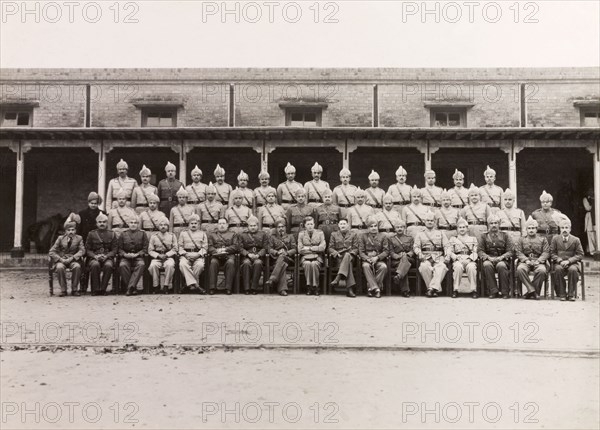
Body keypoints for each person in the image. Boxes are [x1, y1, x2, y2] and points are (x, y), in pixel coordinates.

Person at [414, 211, 449, 298]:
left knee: (441, 267)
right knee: (423, 267)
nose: (430, 222)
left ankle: (430, 289)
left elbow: (447, 246)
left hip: (438, 256)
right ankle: (434, 289)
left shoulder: (441, 233)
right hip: (426, 257)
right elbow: (416, 247)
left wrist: (447, 255)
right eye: (428, 220)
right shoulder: (420, 234)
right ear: (424, 222)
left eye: (432, 220)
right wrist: (420, 254)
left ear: (435, 222)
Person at [478, 214, 513, 299]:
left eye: (496, 223)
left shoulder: (505, 235)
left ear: (499, 224)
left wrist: (501, 257)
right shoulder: (484, 236)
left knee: (501, 266)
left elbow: (511, 251)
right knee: (487, 265)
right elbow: (480, 250)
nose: (493, 225)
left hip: (502, 259)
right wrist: (488, 257)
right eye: (491, 223)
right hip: (489, 259)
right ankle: (493, 291)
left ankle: (505, 291)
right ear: (488, 225)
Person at [49, 214, 85, 297]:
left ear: (75, 230)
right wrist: (60, 259)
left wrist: (72, 258)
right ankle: (63, 290)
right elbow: (51, 251)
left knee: (77, 267)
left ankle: (74, 289)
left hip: (73, 260)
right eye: (69, 230)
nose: (71, 232)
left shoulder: (79, 238)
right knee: (59, 267)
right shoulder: (60, 238)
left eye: (73, 230)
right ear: (65, 231)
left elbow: (82, 251)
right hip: (62, 259)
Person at [515, 216, 550, 300]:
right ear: (526, 230)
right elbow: (518, 252)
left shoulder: (543, 239)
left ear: (536, 229)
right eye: (529, 228)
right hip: (525, 261)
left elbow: (546, 252)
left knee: (542, 270)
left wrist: (539, 261)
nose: (531, 230)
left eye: (533, 228)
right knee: (520, 269)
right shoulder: (521, 239)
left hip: (538, 261)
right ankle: (533, 291)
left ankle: (530, 292)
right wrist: (526, 260)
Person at [551, 218, 584, 301]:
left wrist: (569, 261)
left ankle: (570, 294)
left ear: (570, 229)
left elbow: (580, 254)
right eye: (562, 228)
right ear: (560, 229)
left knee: (573, 270)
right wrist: (560, 260)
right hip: (560, 263)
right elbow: (552, 253)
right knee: (558, 269)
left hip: (572, 263)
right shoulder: (555, 239)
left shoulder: (576, 240)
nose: (564, 230)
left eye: (566, 228)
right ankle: (562, 293)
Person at [85, 213, 117, 296]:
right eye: (99, 222)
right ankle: (95, 289)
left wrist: (107, 256)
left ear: (107, 223)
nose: (102, 224)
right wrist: (95, 256)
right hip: (95, 257)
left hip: (107, 257)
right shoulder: (91, 234)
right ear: (96, 223)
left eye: (104, 222)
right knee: (95, 265)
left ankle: (103, 289)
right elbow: (88, 249)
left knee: (109, 266)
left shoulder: (112, 234)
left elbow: (114, 249)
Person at [117, 215, 148, 296]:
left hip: (137, 257)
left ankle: (129, 288)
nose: (133, 224)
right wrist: (125, 255)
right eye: (131, 222)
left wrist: (137, 254)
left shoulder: (142, 233)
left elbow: (145, 248)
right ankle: (132, 288)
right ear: (128, 224)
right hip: (126, 257)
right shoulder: (123, 234)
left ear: (138, 224)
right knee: (122, 265)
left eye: (135, 223)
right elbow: (119, 249)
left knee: (141, 264)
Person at [448, 218, 479, 298]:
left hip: (469, 259)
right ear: (457, 229)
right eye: (460, 227)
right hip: (458, 259)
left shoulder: (473, 239)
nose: (462, 229)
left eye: (464, 227)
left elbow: (476, 251)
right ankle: (455, 289)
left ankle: (473, 290)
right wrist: (456, 257)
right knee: (458, 267)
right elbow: (450, 251)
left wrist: (470, 259)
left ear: (467, 228)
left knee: (471, 267)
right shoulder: (453, 239)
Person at [207, 218, 240, 295]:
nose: (222, 225)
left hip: (228, 255)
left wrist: (225, 250)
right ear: (217, 225)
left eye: (223, 223)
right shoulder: (212, 235)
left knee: (231, 262)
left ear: (227, 225)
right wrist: (216, 251)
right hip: (216, 256)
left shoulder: (233, 234)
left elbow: (235, 246)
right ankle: (212, 287)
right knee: (213, 262)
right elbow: (209, 246)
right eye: (220, 224)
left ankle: (228, 288)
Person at [358, 216, 388, 298]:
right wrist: (367, 259)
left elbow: (386, 251)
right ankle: (377, 289)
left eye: (375, 226)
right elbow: (361, 251)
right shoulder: (363, 236)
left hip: (378, 260)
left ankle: (371, 288)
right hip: (367, 260)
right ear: (368, 228)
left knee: (384, 267)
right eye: (371, 226)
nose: (373, 228)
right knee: (365, 266)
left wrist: (377, 258)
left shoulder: (383, 236)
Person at [178, 214, 209, 294]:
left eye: (195, 223)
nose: (193, 225)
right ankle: (196, 285)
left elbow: (205, 247)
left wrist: (198, 255)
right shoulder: (183, 233)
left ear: (198, 225)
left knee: (200, 265)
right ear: (188, 225)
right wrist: (186, 255)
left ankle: (187, 285)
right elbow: (180, 247)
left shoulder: (202, 234)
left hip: (198, 255)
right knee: (182, 264)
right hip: (186, 255)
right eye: (192, 223)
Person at [265, 219, 297, 296]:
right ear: (276, 228)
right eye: (279, 227)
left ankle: (272, 278)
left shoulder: (290, 236)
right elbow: (269, 249)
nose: (281, 228)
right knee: (282, 266)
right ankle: (282, 290)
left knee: (282, 257)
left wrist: (287, 253)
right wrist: (277, 252)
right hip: (276, 260)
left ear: (285, 227)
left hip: (288, 259)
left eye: (282, 226)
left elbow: (294, 249)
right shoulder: (272, 237)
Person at [148, 216, 178, 294]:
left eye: (165, 225)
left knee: (170, 265)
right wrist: (158, 255)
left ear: (168, 226)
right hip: (157, 257)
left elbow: (175, 248)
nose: (163, 226)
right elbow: (150, 250)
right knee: (152, 266)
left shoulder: (172, 236)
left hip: (168, 257)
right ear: (158, 226)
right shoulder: (154, 236)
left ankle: (166, 285)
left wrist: (167, 255)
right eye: (161, 225)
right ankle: (156, 286)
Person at [329, 219, 359, 297]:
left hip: (351, 257)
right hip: (339, 258)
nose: (343, 225)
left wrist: (350, 253)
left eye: (344, 224)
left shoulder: (353, 234)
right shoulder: (334, 234)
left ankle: (338, 277)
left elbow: (356, 248)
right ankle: (349, 290)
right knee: (348, 265)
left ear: (347, 225)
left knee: (347, 255)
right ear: (338, 225)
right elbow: (330, 248)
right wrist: (336, 253)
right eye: (341, 223)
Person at [239, 216, 269, 294]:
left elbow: (265, 247)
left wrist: (258, 255)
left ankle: (254, 288)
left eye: (254, 226)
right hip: (247, 256)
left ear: (257, 226)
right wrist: (248, 254)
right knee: (246, 263)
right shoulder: (242, 235)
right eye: (251, 226)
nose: (253, 227)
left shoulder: (263, 234)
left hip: (259, 256)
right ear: (248, 226)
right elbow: (240, 248)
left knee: (258, 263)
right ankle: (246, 288)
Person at [297, 216, 326, 295]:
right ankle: (309, 287)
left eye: (311, 224)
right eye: (308, 224)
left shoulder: (320, 233)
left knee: (314, 264)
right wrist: (316, 248)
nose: (310, 226)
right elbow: (300, 249)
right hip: (305, 258)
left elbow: (322, 247)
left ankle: (316, 286)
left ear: (314, 224)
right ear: (305, 225)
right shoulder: (301, 234)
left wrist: (309, 248)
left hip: (318, 257)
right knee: (307, 264)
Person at [388, 219, 415, 298]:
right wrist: (399, 256)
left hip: (409, 259)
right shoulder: (391, 239)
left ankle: (398, 276)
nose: (399, 229)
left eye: (401, 227)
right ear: (395, 229)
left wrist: (407, 255)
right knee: (403, 267)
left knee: (404, 261)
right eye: (397, 227)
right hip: (396, 260)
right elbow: (391, 252)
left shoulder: (410, 238)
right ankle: (405, 290)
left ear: (404, 228)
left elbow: (413, 250)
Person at [583, 188, 596, 254]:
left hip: (595, 216)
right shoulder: (586, 199)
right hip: (590, 216)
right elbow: (588, 208)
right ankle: (592, 251)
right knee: (590, 232)